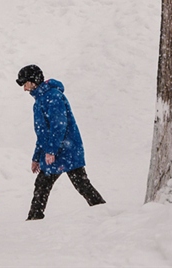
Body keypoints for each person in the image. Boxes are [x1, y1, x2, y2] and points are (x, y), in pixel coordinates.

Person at [16, 64, 105, 220]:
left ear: (33, 81)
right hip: (56, 151)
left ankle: (104, 211)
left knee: (80, 185)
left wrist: (51, 151)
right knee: (44, 184)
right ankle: (34, 218)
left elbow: (59, 126)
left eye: (25, 83)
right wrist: (36, 157)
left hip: (67, 150)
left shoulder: (53, 97)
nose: (24, 88)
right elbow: (42, 133)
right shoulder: (39, 101)